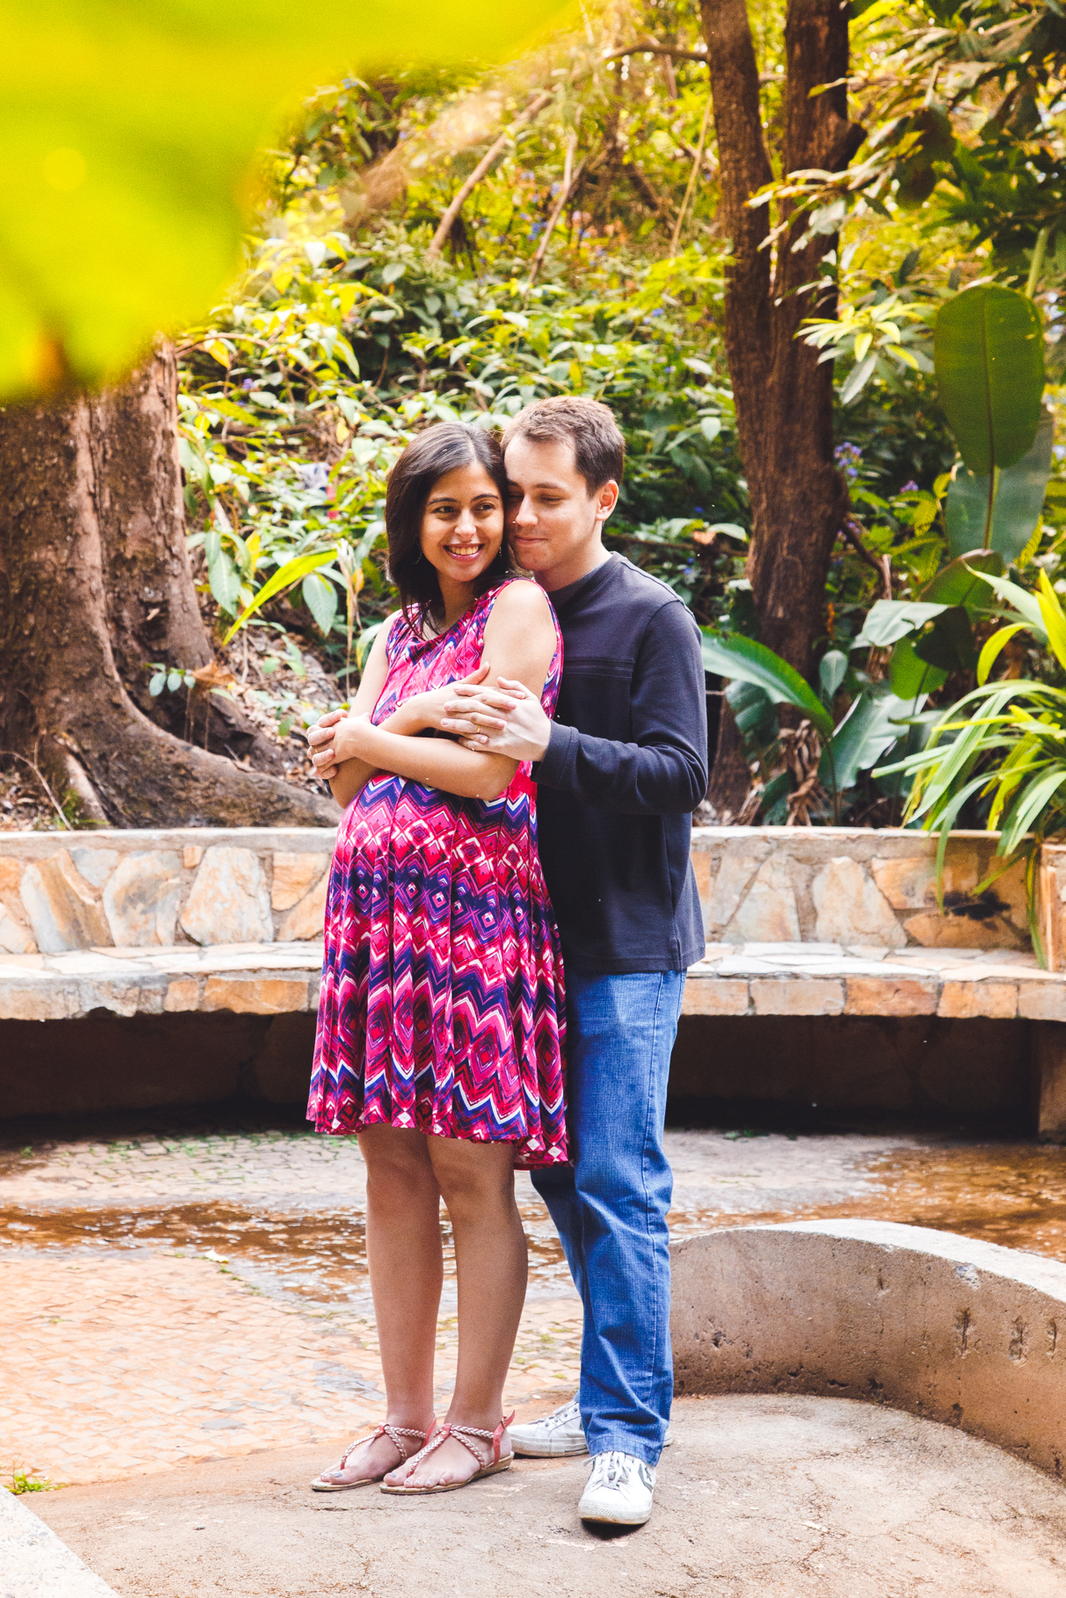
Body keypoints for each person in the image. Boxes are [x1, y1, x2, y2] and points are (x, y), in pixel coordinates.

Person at [435, 395, 708, 1527]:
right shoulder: (506, 610)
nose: (525, 517)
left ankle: (631, 1440)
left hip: (630, 948)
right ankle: (607, 1404)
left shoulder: (652, 619)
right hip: (526, 953)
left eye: (550, 498)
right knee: (561, 1183)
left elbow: (678, 776)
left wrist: (553, 743)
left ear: (602, 496)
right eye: (517, 494)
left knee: (616, 1181)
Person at [305, 420, 567, 1496]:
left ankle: (476, 1422)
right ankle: (404, 1418)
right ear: (414, 521)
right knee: (391, 1170)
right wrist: (400, 718)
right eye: (444, 508)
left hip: (473, 927)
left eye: (484, 506)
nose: (468, 527)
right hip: (377, 930)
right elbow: (338, 786)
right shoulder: (395, 638)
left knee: (470, 1169)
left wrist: (369, 738)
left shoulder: (518, 609)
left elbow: (494, 775)